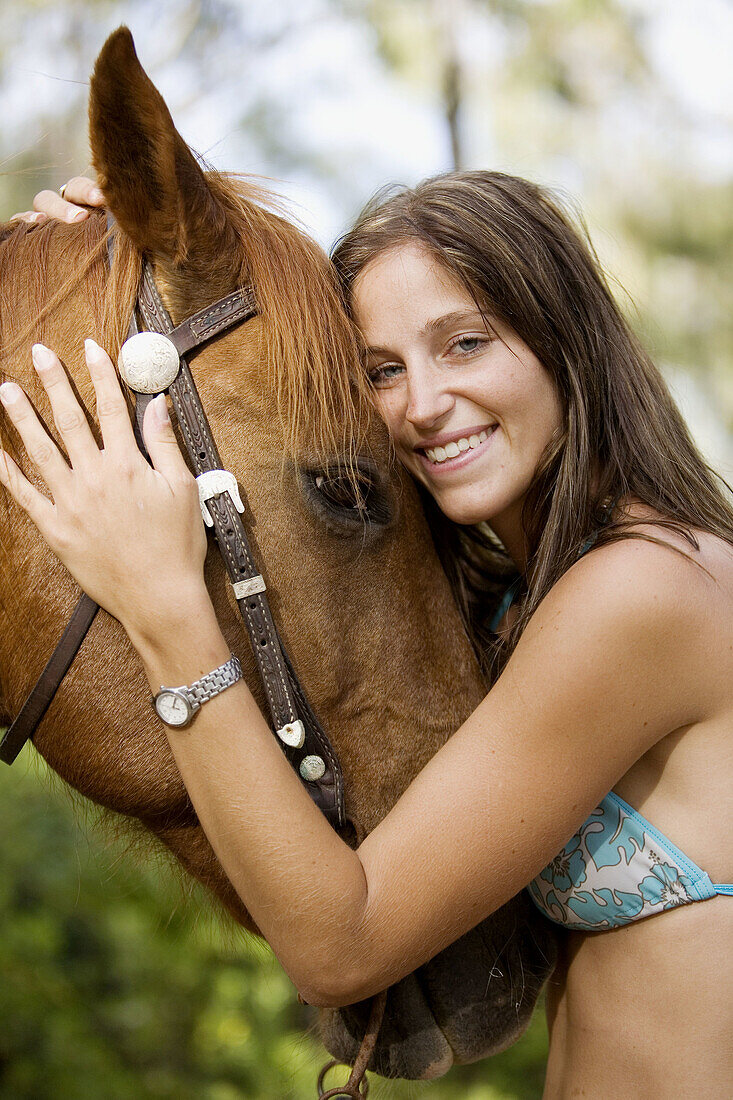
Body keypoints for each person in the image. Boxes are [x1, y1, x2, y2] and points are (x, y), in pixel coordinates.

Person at [5, 172, 733, 1097]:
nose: (421, 404)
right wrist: (98, 244)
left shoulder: (643, 590)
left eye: (463, 344)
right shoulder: (523, 607)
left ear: (566, 341)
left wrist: (163, 607)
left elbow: (342, 948)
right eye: (382, 370)